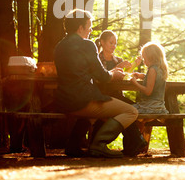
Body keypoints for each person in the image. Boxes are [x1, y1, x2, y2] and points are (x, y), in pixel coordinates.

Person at [54, 9, 138, 158]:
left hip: (63, 100)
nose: (91, 29)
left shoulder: (59, 46)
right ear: (80, 28)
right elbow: (103, 76)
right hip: (83, 101)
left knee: (94, 113)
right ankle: (99, 144)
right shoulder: (87, 45)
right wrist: (115, 74)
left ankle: (73, 146)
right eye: (89, 25)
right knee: (131, 111)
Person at [94, 30, 147, 156]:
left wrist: (134, 67)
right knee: (129, 108)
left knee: (133, 108)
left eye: (115, 43)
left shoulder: (118, 59)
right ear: (102, 42)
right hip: (103, 96)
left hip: (117, 95)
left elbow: (124, 75)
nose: (113, 46)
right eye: (111, 43)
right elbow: (101, 77)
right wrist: (119, 66)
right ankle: (136, 142)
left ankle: (131, 145)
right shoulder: (97, 60)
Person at [130, 41, 169, 114]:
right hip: (159, 106)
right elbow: (154, 81)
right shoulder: (160, 69)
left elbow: (148, 91)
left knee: (125, 110)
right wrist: (142, 76)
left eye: (145, 58)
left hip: (149, 106)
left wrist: (135, 83)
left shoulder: (152, 69)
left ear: (151, 58)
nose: (144, 62)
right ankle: (142, 125)